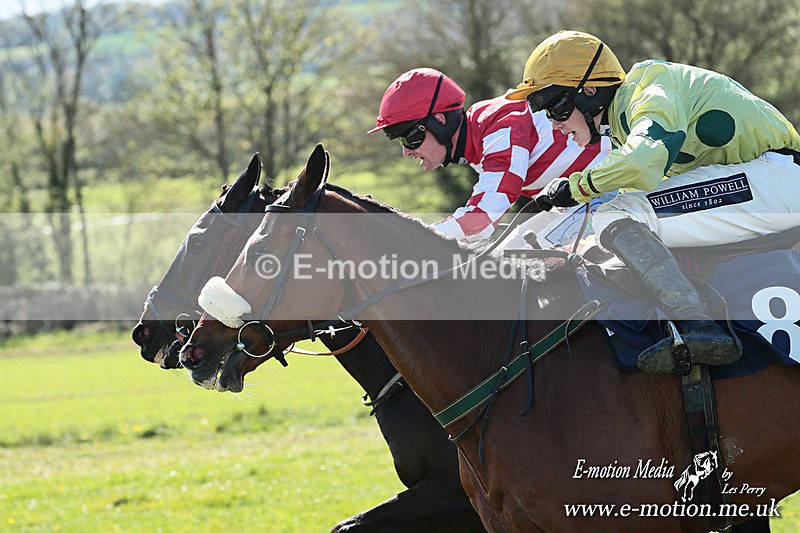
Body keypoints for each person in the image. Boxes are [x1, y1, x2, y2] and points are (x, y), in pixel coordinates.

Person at [505, 30, 800, 373]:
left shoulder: (649, 88)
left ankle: (696, 325)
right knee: (617, 216)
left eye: (555, 109)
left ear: (589, 91)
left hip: (780, 180)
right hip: (764, 184)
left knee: (619, 213)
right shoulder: (621, 121)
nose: (555, 126)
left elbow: (642, 162)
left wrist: (576, 187)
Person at [368, 67, 613, 244]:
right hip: (586, 196)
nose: (406, 151)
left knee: (518, 264)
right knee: (511, 255)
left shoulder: (499, 128)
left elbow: (481, 219)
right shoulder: (479, 131)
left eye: (410, 138)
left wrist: (416, 239)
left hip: (617, 187)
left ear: (440, 121)